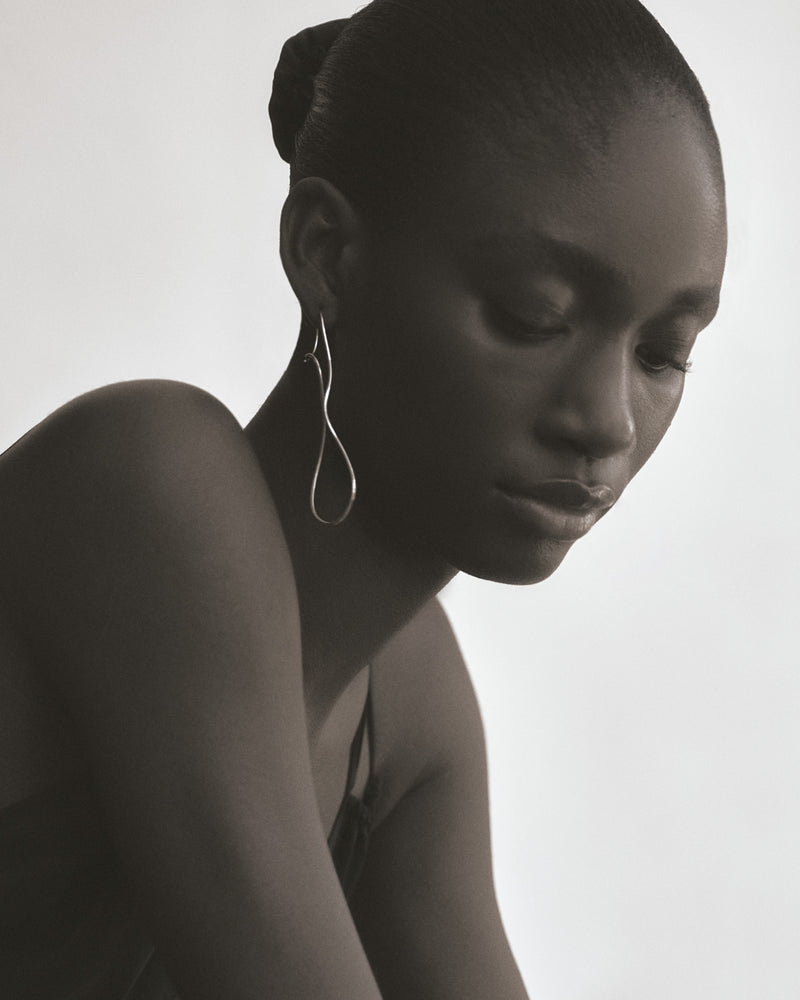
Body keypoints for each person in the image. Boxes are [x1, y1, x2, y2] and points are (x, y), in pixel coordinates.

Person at [0, 0, 727, 996]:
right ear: (327, 253)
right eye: (534, 316)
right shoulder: (144, 484)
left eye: (662, 353)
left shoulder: (408, 703)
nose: (606, 422)